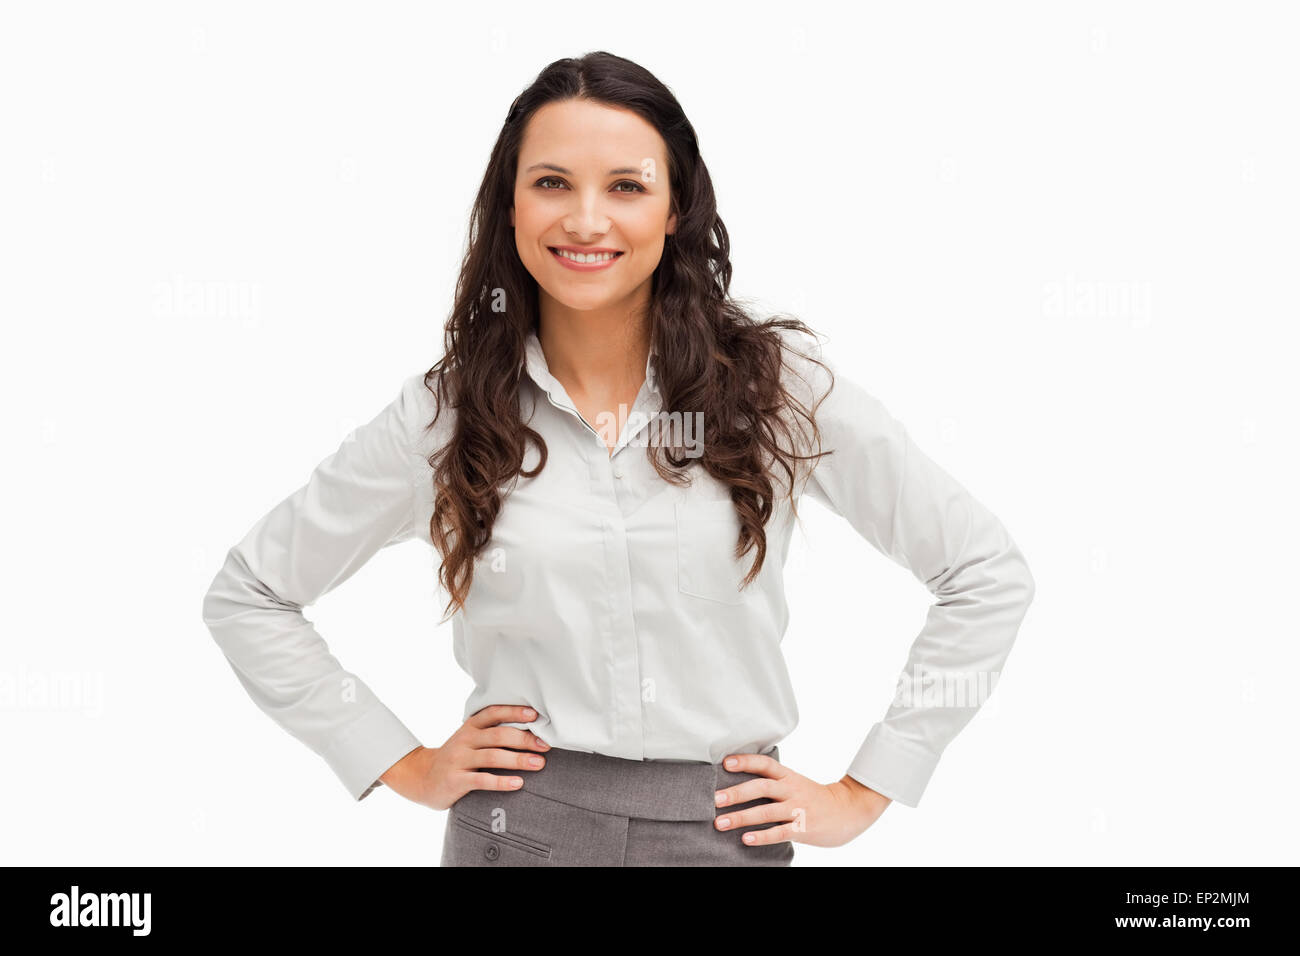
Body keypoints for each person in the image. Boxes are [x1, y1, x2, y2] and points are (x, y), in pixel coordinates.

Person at [201, 51, 1036, 867]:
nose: (586, 220)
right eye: (552, 182)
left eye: (627, 186)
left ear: (676, 209)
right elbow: (251, 594)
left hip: (725, 836)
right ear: (511, 204)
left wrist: (867, 789)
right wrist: (401, 761)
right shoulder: (447, 415)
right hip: (517, 831)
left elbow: (983, 572)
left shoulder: (774, 389)